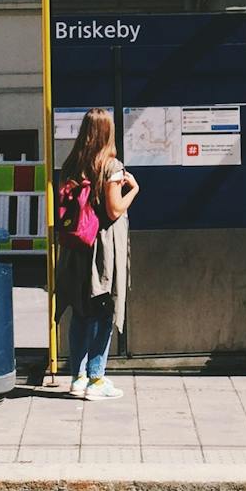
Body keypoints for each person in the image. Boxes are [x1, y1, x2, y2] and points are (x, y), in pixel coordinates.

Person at [58, 108, 138, 400]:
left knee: (80, 311)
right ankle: (97, 379)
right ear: (108, 132)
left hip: (76, 248)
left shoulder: (72, 164)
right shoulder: (112, 166)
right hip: (103, 249)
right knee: (105, 310)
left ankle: (76, 377)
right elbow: (114, 209)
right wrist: (135, 190)